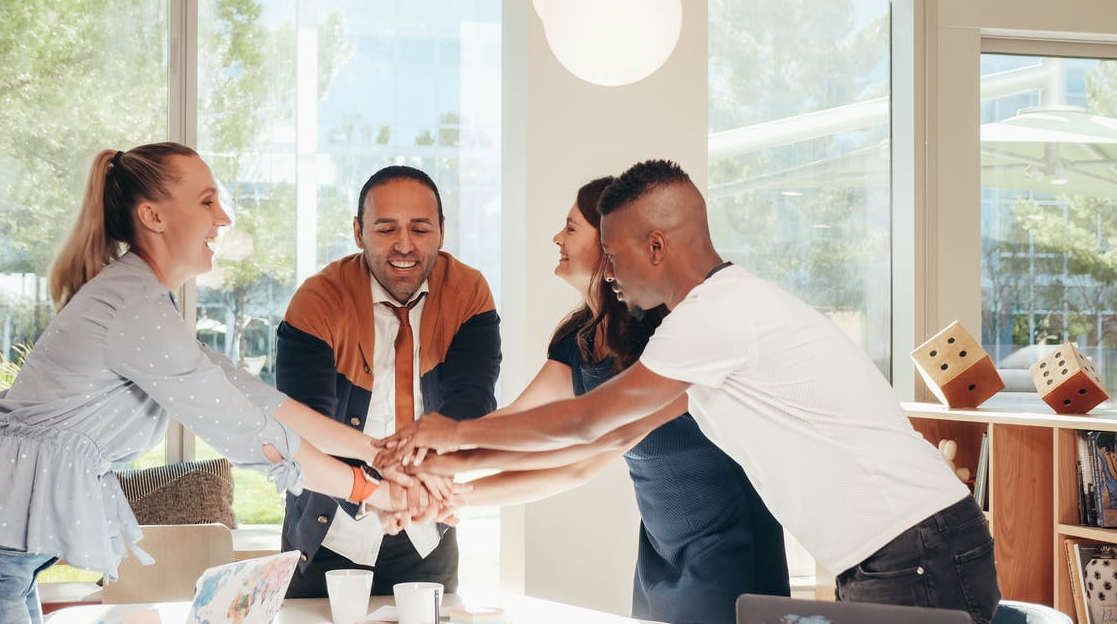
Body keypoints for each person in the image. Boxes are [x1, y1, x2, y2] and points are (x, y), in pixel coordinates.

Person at [380, 160, 1002, 624]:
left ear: (657, 246)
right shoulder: (704, 323)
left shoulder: (716, 316)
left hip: (916, 547)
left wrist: (455, 432)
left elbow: (587, 424)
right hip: (890, 551)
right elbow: (616, 433)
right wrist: (457, 483)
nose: (611, 270)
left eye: (615, 253)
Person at [0, 143, 455, 624]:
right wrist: (377, 492)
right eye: (206, 202)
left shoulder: (146, 304)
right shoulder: (134, 308)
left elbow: (262, 400)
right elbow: (251, 433)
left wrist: (381, 456)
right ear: (152, 215)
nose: (222, 217)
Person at [407, 176, 789, 624]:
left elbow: (586, 450)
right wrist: (450, 490)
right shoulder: (581, 339)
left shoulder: (670, 334)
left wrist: (448, 465)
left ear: (611, 242)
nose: (557, 238)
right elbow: (526, 427)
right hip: (660, 553)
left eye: (571, 229)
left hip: (728, 547)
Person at [275, 165, 501, 598]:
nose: (404, 245)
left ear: (441, 231)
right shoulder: (317, 300)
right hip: (330, 528)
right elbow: (306, 425)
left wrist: (419, 481)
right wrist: (383, 486)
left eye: (420, 228)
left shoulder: (469, 292)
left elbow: (471, 403)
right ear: (358, 232)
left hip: (425, 528)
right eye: (386, 229)